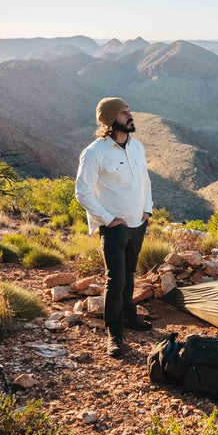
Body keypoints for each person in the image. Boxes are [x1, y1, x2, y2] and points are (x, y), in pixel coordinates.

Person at [75, 97, 153, 358]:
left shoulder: (137, 147)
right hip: (114, 227)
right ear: (110, 120)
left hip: (137, 223)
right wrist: (108, 219)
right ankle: (114, 334)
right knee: (115, 278)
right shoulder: (95, 152)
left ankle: (129, 316)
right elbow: (82, 192)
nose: (130, 115)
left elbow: (145, 181)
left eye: (129, 110)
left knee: (129, 273)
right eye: (124, 112)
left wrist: (147, 210)